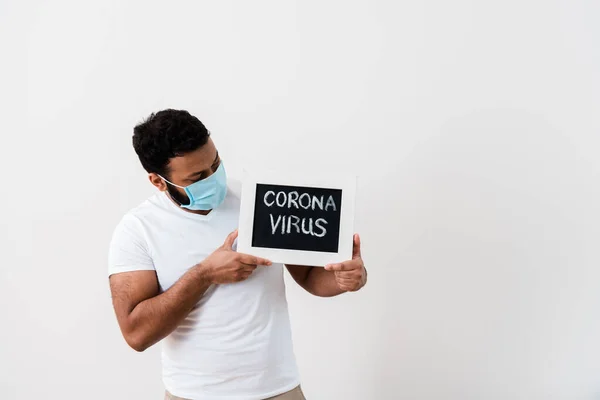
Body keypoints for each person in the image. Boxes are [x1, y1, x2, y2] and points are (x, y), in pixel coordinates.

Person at [108, 109, 368, 400]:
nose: (214, 177)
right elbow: (136, 334)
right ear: (158, 181)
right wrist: (204, 274)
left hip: (278, 390)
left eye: (216, 163)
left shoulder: (261, 201)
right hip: (193, 394)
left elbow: (310, 276)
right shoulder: (137, 230)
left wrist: (346, 278)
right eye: (198, 176)